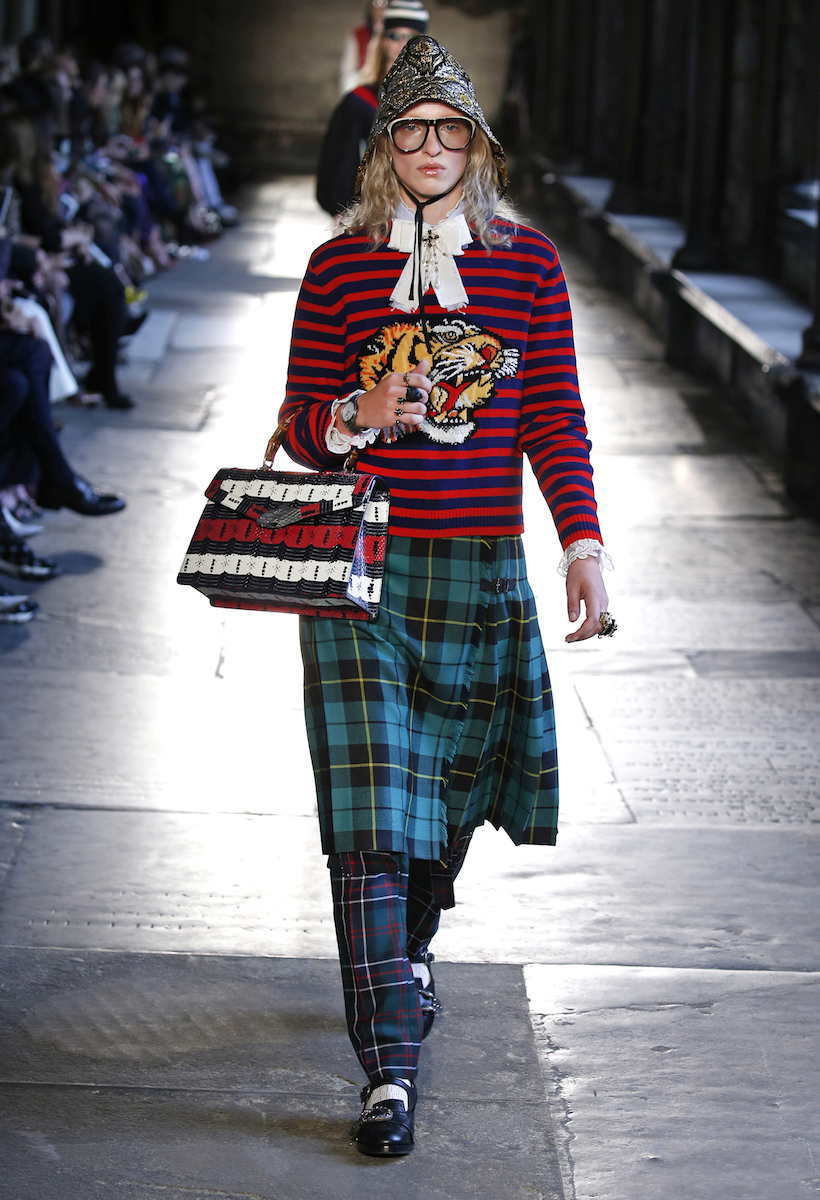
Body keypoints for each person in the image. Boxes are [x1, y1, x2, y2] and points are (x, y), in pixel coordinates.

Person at [279, 35, 616, 1157]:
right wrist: (353, 415)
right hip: (361, 572)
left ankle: (410, 948)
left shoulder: (527, 267)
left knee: (450, 800)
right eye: (411, 131)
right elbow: (295, 427)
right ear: (384, 147)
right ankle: (388, 1070)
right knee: (371, 820)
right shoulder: (338, 269)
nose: (431, 149)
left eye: (451, 131)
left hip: (479, 566)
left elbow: (553, 419)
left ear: (479, 147)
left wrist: (582, 546)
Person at [316, 0, 429, 217]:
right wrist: (344, 214)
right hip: (371, 209)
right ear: (383, 40)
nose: (402, 44)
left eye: (411, 37)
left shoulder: (436, 101)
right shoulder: (359, 101)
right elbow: (340, 162)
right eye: (395, 35)